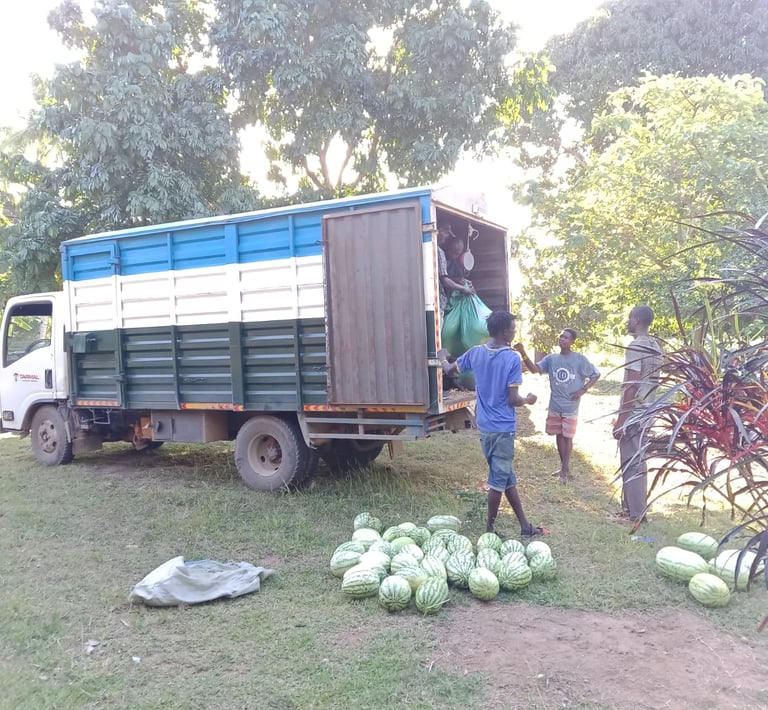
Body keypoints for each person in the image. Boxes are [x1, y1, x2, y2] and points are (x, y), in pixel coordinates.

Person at [439, 311, 548, 537]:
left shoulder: (476, 353)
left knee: (507, 477)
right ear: (504, 331)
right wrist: (528, 400)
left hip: (485, 426)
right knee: (498, 480)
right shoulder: (511, 358)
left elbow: (449, 370)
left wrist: (441, 356)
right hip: (503, 427)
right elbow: (512, 399)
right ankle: (489, 529)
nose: (515, 331)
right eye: (513, 328)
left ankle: (525, 527)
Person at [515, 329, 600, 483]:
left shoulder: (579, 359)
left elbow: (596, 374)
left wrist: (583, 389)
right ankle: (564, 468)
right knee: (559, 435)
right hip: (555, 404)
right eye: (561, 336)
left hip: (571, 406)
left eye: (566, 337)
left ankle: (565, 469)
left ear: (572, 341)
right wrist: (523, 353)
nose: (562, 339)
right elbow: (535, 369)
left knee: (568, 437)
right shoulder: (552, 359)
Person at [612, 305, 663, 523]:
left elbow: (631, 384)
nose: (627, 321)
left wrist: (621, 420)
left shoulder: (636, 346)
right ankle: (633, 508)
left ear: (637, 320)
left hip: (634, 413)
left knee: (631, 462)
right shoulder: (656, 346)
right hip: (649, 409)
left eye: (630, 318)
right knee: (639, 460)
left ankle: (636, 514)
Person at [437, 225, 473, 319]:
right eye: (446, 234)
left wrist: (459, 280)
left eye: (458, 253)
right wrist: (463, 289)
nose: (455, 255)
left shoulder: (456, 265)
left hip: (444, 304)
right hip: (439, 302)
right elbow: (445, 281)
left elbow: (444, 278)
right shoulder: (439, 252)